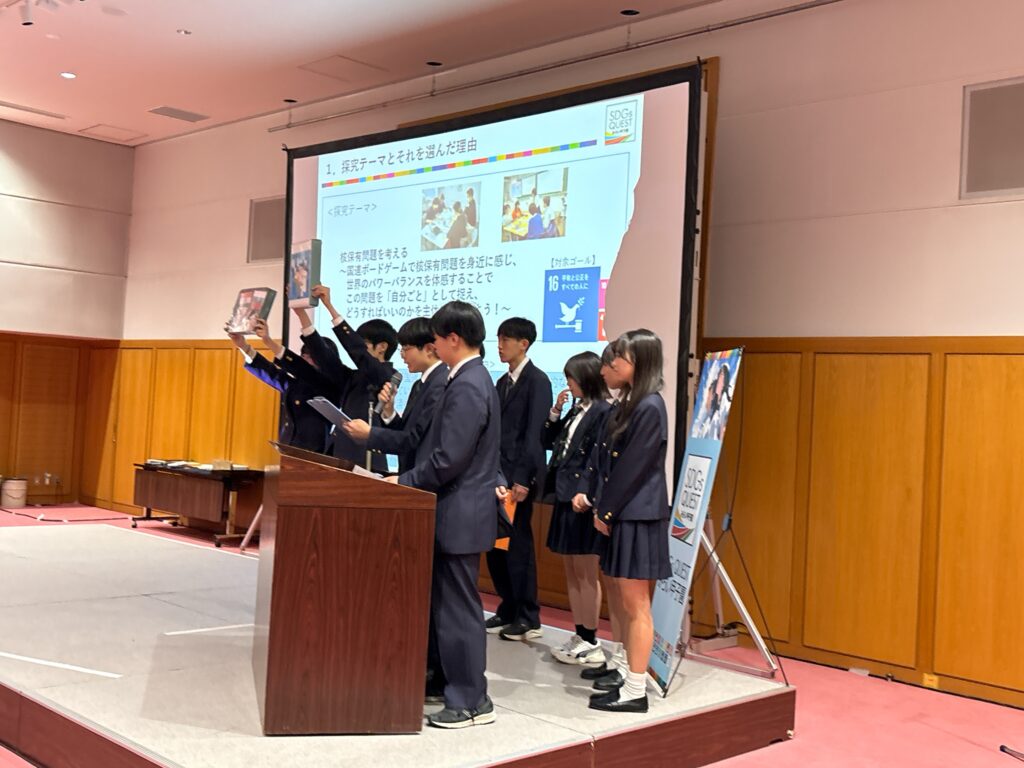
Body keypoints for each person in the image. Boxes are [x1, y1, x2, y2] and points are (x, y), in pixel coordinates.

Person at [385, 301, 501, 729]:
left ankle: (471, 701)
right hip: (454, 511)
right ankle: (454, 687)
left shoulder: (469, 383)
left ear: (454, 338)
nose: (432, 345)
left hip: (459, 514)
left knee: (458, 611)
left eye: (436, 338)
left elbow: (449, 458)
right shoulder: (467, 377)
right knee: (449, 608)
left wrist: (404, 480)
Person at [582, 329, 671, 714]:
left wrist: (605, 512)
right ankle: (628, 677)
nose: (611, 365)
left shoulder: (649, 406)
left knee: (637, 606)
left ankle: (635, 690)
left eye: (619, 358)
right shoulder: (633, 403)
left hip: (637, 515)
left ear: (640, 363)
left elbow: (632, 469)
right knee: (626, 600)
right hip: (625, 513)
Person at [280, 284, 397, 472]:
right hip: (340, 456)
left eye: (363, 343)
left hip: (365, 462)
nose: (358, 347)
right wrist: (301, 314)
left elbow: (358, 353)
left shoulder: (387, 375)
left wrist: (330, 307)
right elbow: (325, 357)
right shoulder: (354, 377)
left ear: (382, 347)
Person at [541, 352, 611, 665]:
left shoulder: (603, 411)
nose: (568, 383)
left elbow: (598, 460)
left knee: (586, 571)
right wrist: (555, 412)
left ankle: (591, 638)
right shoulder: (576, 409)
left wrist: (587, 492)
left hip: (583, 500)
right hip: (564, 495)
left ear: (586, 378)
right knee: (571, 569)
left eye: (571, 377)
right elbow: (550, 440)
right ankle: (580, 632)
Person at [486, 318, 552, 641]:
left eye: (506, 340)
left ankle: (528, 614)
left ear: (523, 343)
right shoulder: (502, 382)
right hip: (497, 477)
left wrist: (523, 478)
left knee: (518, 547)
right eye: (498, 339)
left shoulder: (537, 381)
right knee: (495, 546)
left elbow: (535, 435)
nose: (499, 346)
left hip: (519, 480)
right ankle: (508, 606)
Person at [341, 317, 448, 473]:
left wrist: (370, 434)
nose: (402, 355)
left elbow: (416, 439)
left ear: (429, 349)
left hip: (425, 476)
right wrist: (389, 412)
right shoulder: (419, 384)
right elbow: (406, 432)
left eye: (406, 348)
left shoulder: (441, 383)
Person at [225, 317, 338, 453]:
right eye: (303, 355)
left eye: (310, 357)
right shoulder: (298, 383)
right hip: (288, 448)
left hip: (314, 453)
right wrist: (243, 345)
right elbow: (271, 373)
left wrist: (268, 340)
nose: (305, 360)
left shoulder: (332, 385)